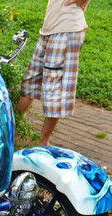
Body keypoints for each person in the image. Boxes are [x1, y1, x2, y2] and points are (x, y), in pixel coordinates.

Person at [16, 0, 90, 146]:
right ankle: (11, 129)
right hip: (48, 30)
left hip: (67, 32)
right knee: (29, 82)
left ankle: (44, 142)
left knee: (55, 88)